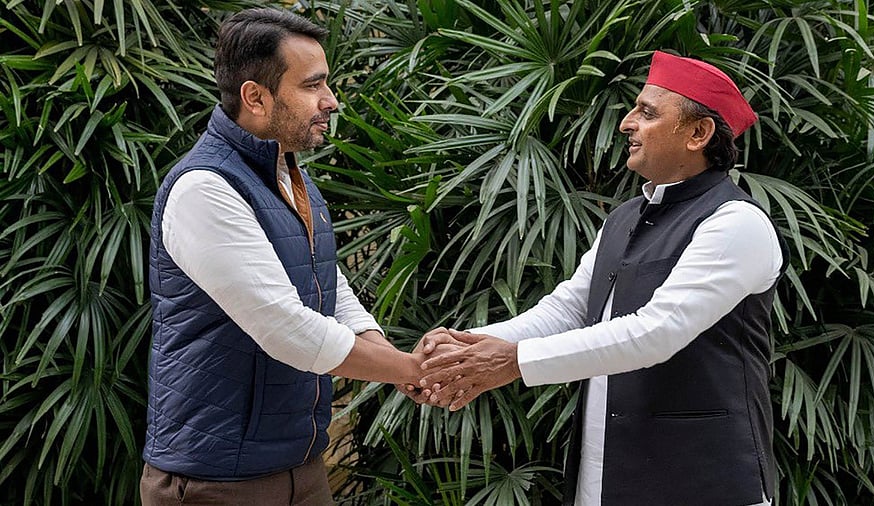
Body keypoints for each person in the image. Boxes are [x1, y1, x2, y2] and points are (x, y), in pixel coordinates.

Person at [414, 51, 788, 506]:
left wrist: (514, 362)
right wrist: (467, 346)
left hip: (704, 482)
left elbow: (657, 332)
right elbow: (569, 309)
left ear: (698, 133)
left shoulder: (736, 222)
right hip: (605, 476)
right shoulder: (626, 217)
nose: (627, 123)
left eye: (647, 112)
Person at [141, 8, 423, 506]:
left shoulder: (290, 175)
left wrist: (384, 351)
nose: (330, 101)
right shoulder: (204, 188)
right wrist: (406, 370)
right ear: (256, 96)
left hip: (302, 467)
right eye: (313, 86)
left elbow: (325, 282)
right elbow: (286, 328)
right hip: (219, 482)